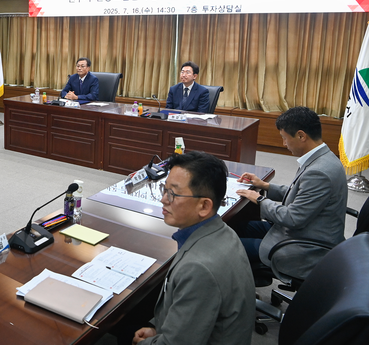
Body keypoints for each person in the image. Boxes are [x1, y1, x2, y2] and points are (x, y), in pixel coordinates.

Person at [132, 151, 255, 345]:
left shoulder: (198, 268)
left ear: (204, 206)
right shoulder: (224, 231)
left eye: (173, 193)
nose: (163, 199)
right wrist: (157, 328)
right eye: (164, 189)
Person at [236, 106, 348, 280]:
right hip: (303, 231)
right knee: (237, 226)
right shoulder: (324, 157)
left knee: (228, 244)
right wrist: (265, 186)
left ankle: (241, 287)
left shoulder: (319, 172)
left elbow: (292, 218)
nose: (284, 144)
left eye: (284, 138)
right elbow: (301, 194)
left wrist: (259, 199)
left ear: (301, 136)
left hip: (306, 246)